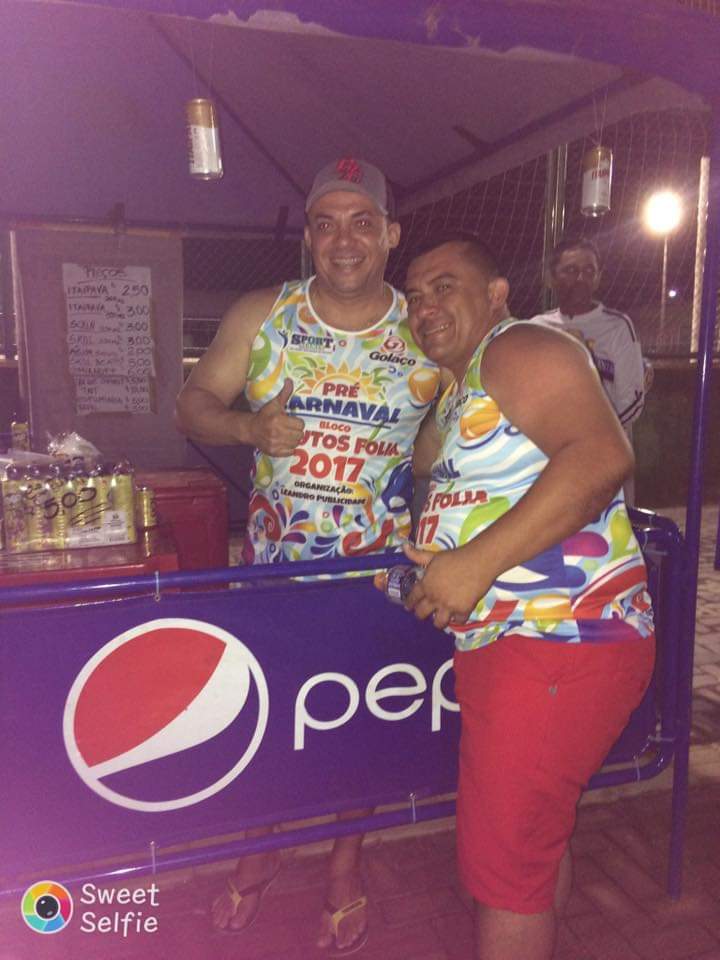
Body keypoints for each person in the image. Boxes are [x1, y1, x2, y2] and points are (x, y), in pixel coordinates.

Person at [175, 157, 440, 954]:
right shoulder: (265, 313)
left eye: (363, 222)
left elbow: (447, 439)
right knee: (270, 719)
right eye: (326, 223)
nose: (344, 240)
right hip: (274, 576)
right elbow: (193, 404)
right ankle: (260, 847)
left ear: (391, 234)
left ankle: (344, 863)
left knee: (358, 726)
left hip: (378, 578)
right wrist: (248, 428)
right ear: (309, 238)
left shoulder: (427, 326)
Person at [387, 234, 654, 960]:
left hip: (560, 638)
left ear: (498, 294)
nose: (424, 306)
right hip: (524, 643)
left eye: (445, 287)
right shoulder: (468, 384)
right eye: (415, 296)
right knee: (527, 851)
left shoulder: (521, 348)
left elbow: (602, 455)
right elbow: (437, 467)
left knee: (504, 873)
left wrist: (474, 564)